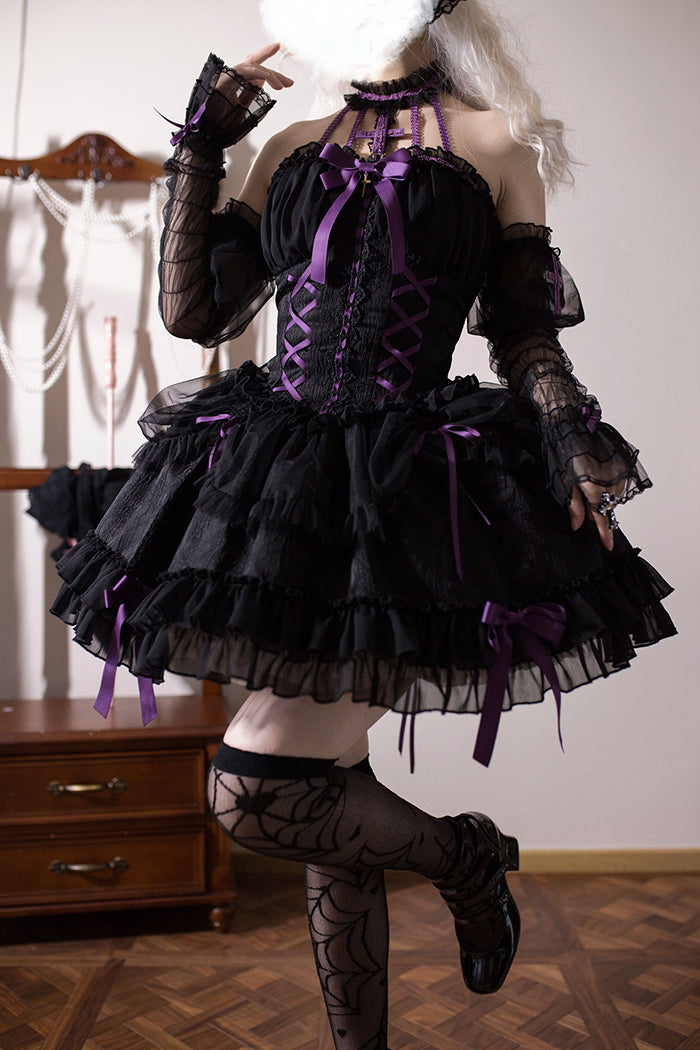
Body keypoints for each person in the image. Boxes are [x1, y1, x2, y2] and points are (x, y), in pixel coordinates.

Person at [51, 1, 676, 1046]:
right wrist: (203, 144)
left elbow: (523, 332)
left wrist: (571, 440)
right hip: (278, 491)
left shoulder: (494, 142)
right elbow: (197, 313)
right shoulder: (290, 143)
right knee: (325, 795)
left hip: (406, 497)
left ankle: (466, 856)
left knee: (257, 790)